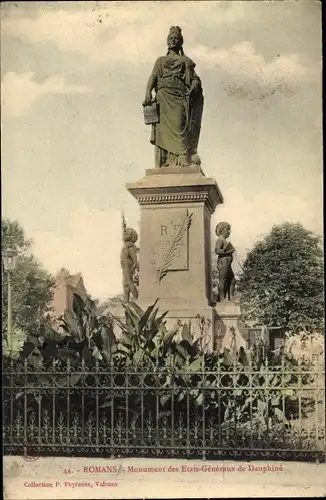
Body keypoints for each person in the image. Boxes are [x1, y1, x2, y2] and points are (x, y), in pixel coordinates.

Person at [142, 26, 204, 168]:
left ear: (181, 42)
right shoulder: (160, 61)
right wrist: (147, 92)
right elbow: (153, 77)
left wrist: (195, 84)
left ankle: (182, 154)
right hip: (163, 97)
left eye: (176, 39)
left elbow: (195, 78)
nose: (173, 40)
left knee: (180, 124)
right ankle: (166, 161)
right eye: (171, 38)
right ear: (167, 42)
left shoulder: (185, 61)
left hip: (179, 96)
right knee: (163, 131)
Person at [215, 222, 236, 302]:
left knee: (233, 280)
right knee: (223, 280)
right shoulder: (220, 240)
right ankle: (222, 300)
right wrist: (227, 251)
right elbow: (217, 250)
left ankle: (230, 299)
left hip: (228, 264)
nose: (229, 231)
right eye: (227, 229)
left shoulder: (225, 240)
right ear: (221, 230)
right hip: (223, 263)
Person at [120, 228, 139, 302]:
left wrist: (135, 263)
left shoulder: (129, 245)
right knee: (125, 284)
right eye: (125, 234)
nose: (125, 235)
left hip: (128, 267)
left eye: (127, 234)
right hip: (125, 267)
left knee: (129, 282)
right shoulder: (126, 245)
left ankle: (137, 298)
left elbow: (133, 255)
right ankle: (126, 300)